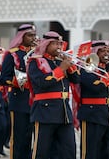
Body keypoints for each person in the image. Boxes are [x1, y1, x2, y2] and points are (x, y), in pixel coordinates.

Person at [27, 31, 79, 159]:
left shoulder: (59, 61)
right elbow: (42, 83)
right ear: (46, 45)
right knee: (42, 151)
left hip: (64, 113)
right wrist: (61, 69)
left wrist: (70, 66)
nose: (59, 47)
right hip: (45, 111)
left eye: (60, 44)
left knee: (69, 150)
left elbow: (77, 80)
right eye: (55, 44)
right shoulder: (36, 62)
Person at [77, 40, 109, 159]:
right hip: (93, 114)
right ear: (95, 52)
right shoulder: (86, 67)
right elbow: (95, 87)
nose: (106, 54)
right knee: (91, 152)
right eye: (102, 51)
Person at [0, 24, 37, 159]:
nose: (33, 38)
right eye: (30, 35)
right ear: (22, 36)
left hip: (35, 101)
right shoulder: (12, 54)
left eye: (34, 35)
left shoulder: (37, 53)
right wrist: (19, 81)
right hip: (19, 100)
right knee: (19, 138)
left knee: (31, 138)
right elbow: (4, 78)